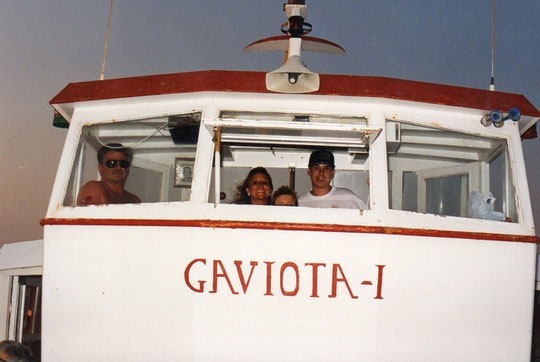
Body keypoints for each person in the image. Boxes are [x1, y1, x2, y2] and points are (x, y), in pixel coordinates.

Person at [298, 149, 367, 209]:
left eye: (326, 168)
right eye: (316, 168)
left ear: (332, 172)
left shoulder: (347, 197)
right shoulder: (300, 203)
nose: (321, 173)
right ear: (309, 171)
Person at [76, 143, 141, 206]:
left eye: (123, 163)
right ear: (100, 168)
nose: (118, 167)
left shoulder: (134, 200)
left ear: (128, 169)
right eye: (112, 163)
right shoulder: (94, 189)